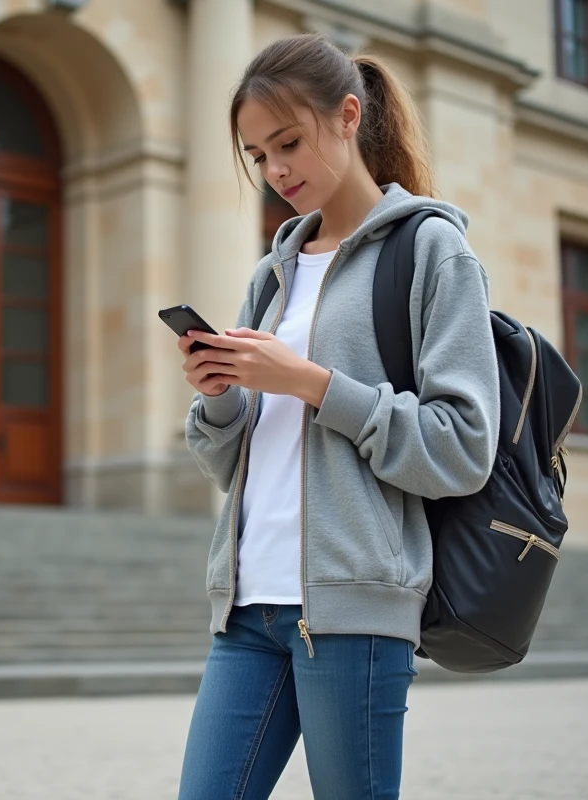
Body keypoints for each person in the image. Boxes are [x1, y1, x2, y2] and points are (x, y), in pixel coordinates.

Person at [177, 34, 499, 799]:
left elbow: (463, 446)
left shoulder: (432, 250)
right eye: (257, 155)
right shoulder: (274, 272)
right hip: (248, 609)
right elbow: (234, 466)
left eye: (288, 143)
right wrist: (220, 396)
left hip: (353, 608)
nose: (275, 170)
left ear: (348, 116)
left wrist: (315, 384)